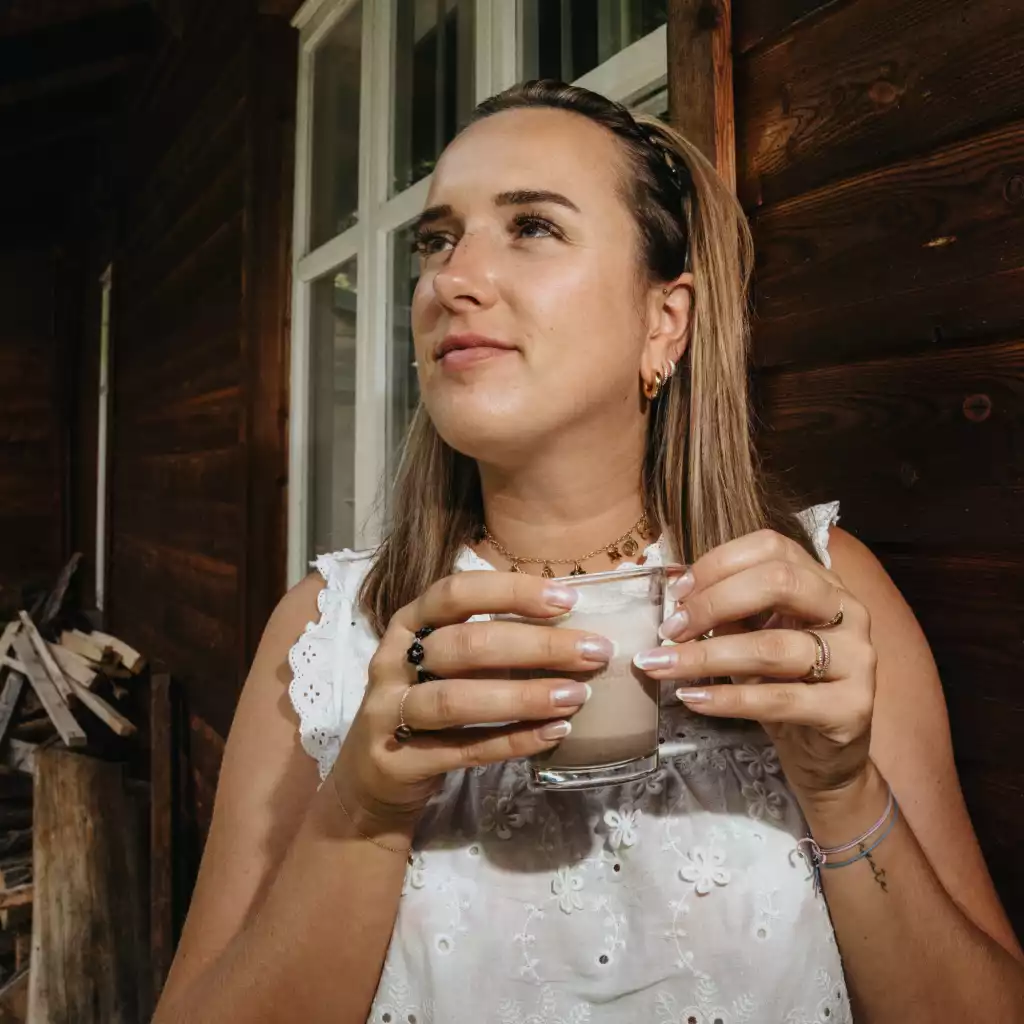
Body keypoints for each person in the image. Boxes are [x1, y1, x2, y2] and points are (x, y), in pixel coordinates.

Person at [152, 81, 1024, 1023]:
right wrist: (363, 813)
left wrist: (842, 790)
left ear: (664, 321)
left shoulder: (818, 599)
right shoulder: (328, 634)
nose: (451, 281)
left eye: (531, 227)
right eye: (437, 241)